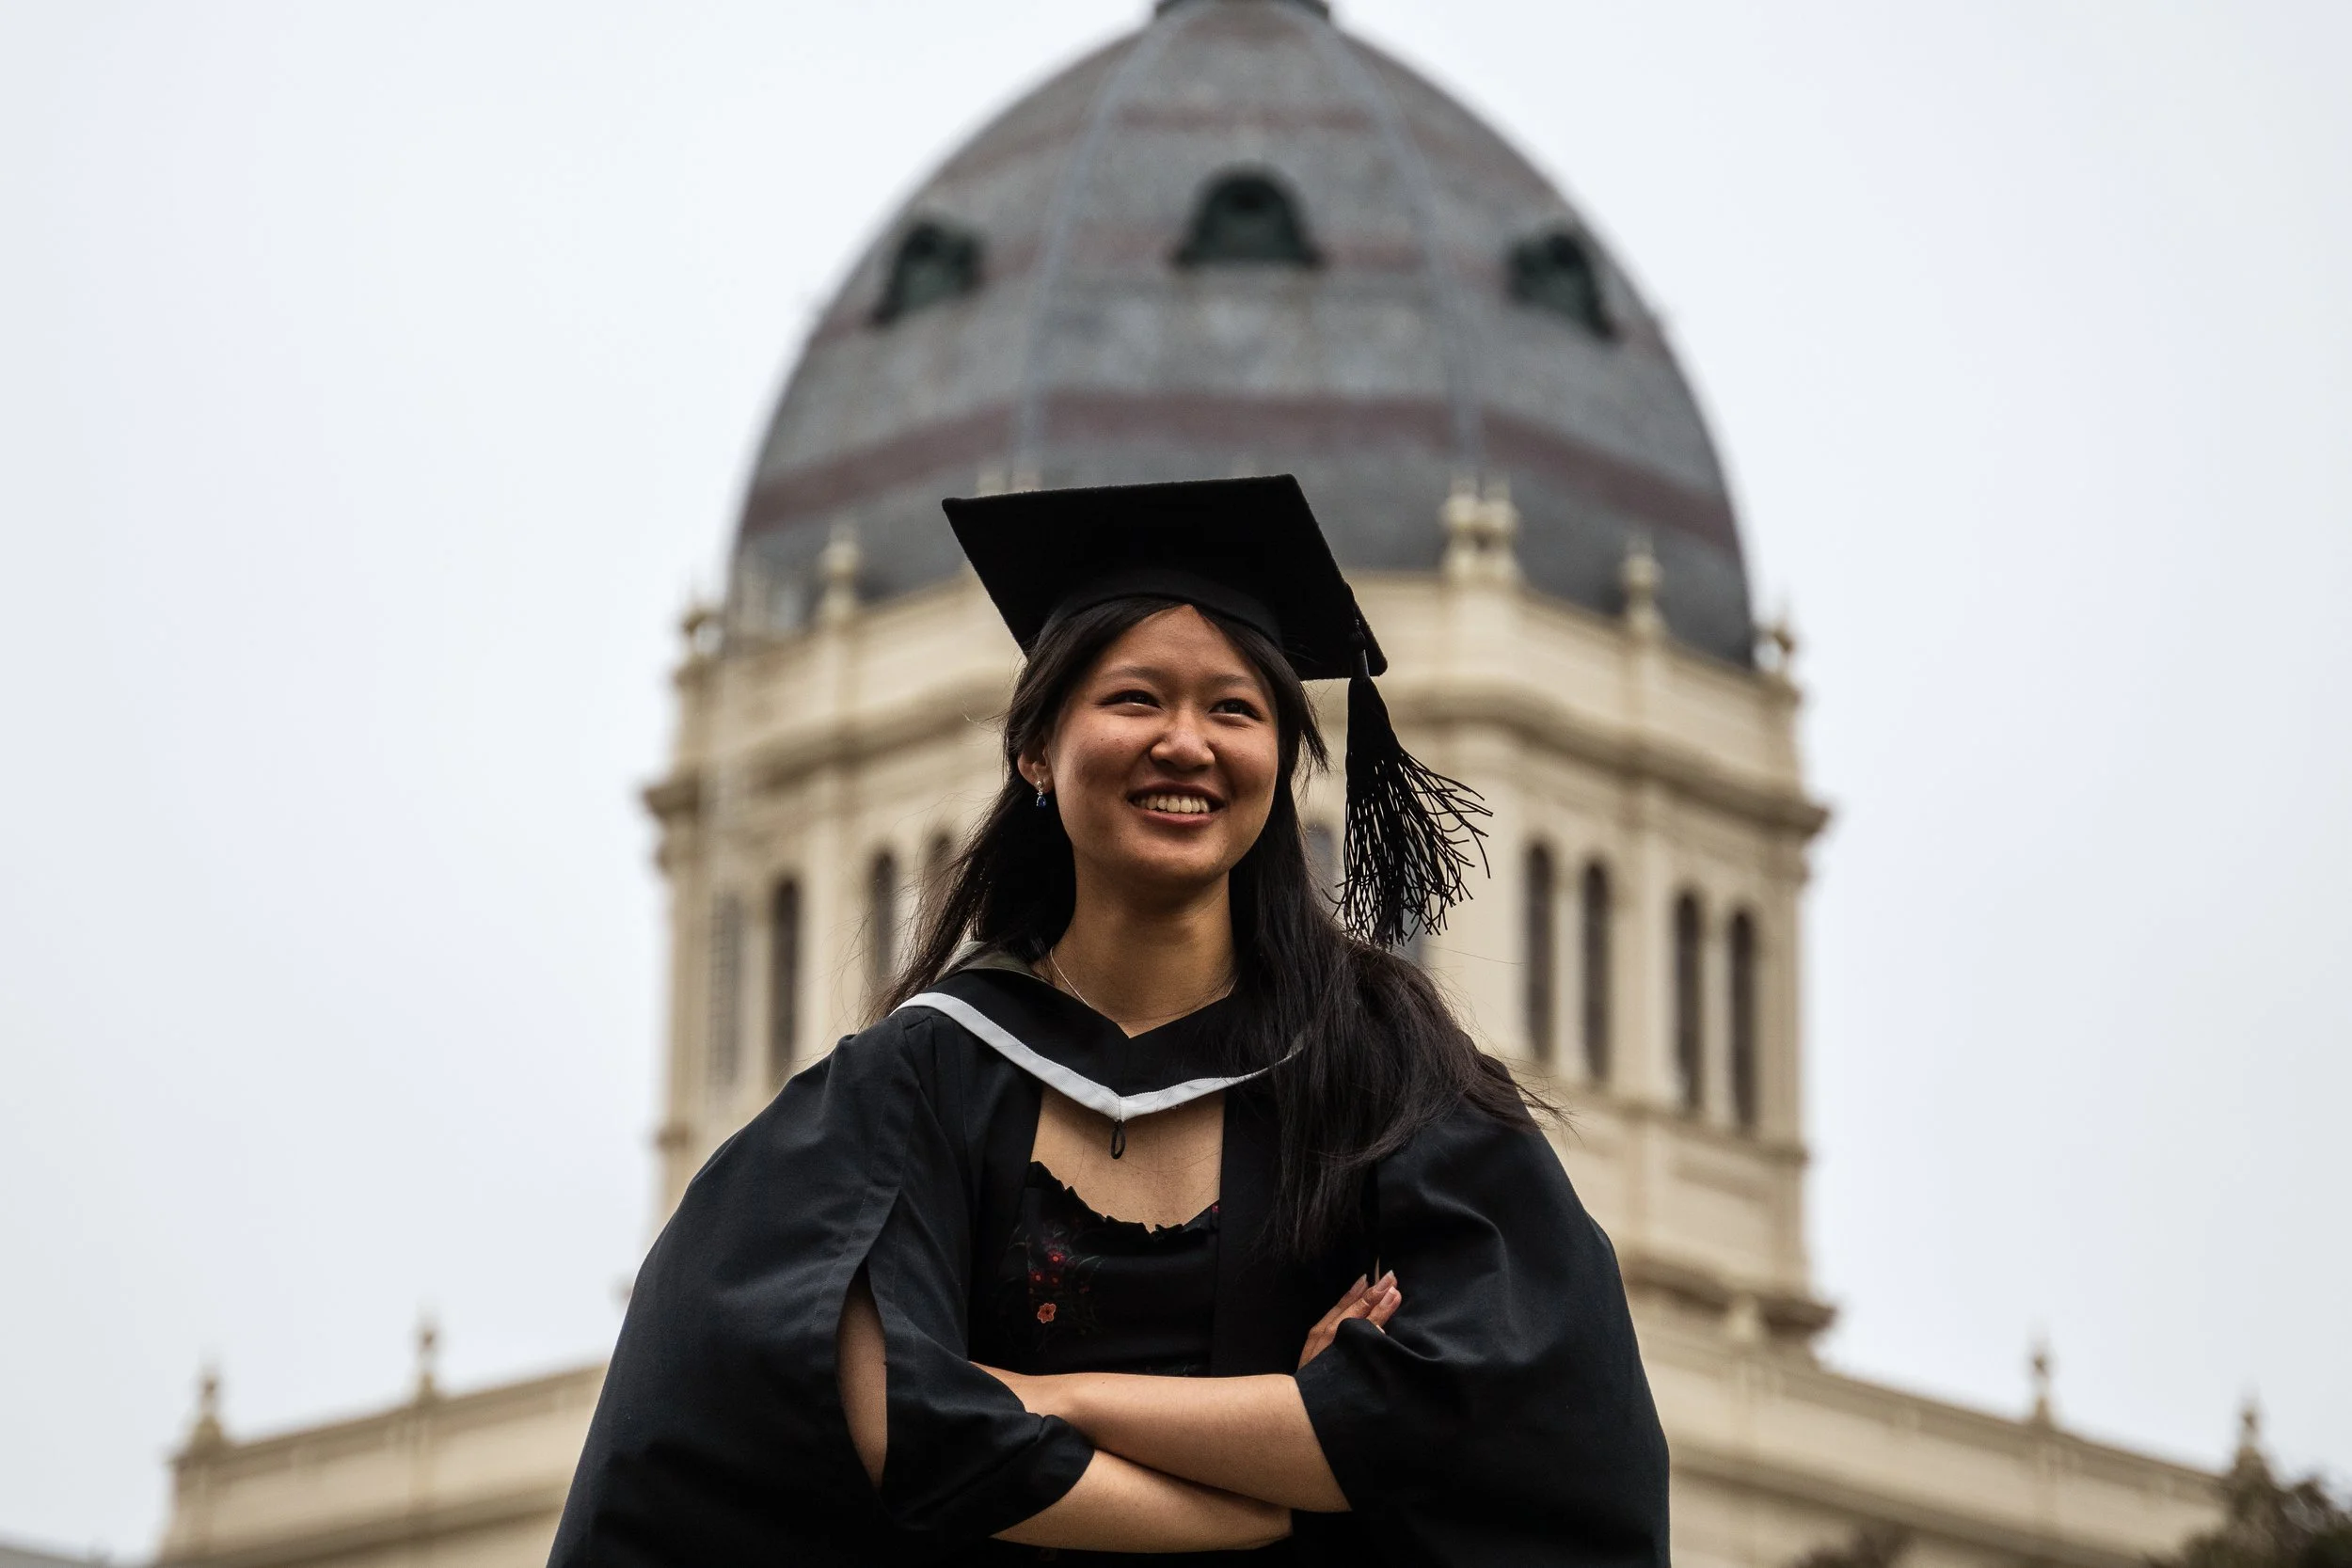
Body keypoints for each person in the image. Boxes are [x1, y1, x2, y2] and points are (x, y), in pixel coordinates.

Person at [549, 476, 1669, 1566]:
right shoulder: (913, 1082)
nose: (1185, 742)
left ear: (1278, 763)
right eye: (1134, 698)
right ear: (1036, 749)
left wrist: (1051, 1396)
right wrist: (1288, 1473)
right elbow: (906, 1427)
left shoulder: (1390, 1080)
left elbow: (1479, 1417)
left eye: (1234, 708)